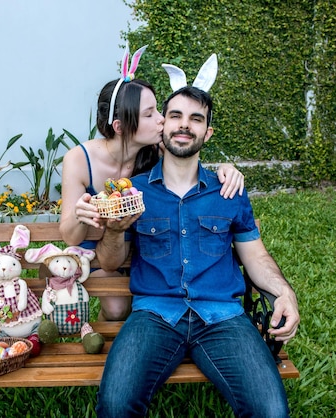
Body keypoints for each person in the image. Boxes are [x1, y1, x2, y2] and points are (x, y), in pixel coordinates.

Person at [93, 58, 300, 417]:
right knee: (115, 406)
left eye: (196, 119)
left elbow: (256, 257)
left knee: (272, 412)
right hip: (155, 315)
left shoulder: (229, 190)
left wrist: (285, 294)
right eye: (175, 116)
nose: (184, 126)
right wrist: (114, 228)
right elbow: (110, 262)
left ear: (208, 133)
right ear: (162, 126)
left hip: (223, 317)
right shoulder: (132, 192)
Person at [59, 44, 245, 321]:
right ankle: (101, 344)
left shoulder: (155, 150)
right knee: (116, 307)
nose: (162, 120)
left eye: (158, 109)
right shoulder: (79, 159)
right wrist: (79, 213)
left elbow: (191, 160)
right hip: (98, 255)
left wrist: (228, 169)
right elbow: (70, 236)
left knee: (130, 306)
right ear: (120, 127)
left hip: (143, 253)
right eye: (150, 114)